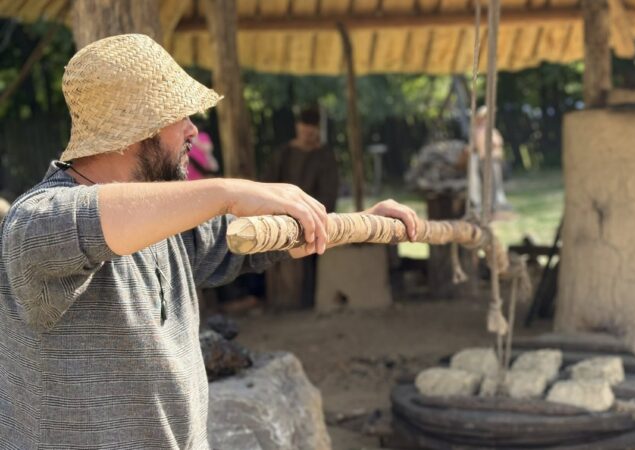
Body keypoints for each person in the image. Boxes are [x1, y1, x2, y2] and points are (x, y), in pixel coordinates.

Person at [0, 34, 419, 449]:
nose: (192, 130)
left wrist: (361, 222)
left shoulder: (166, 221)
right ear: (134, 127)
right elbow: (76, 221)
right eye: (178, 116)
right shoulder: (33, 224)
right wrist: (226, 191)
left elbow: (259, 238)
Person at [262, 105, 339, 308]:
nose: (307, 135)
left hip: (316, 217)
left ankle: (307, 301)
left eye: (311, 132)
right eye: (304, 130)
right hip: (282, 217)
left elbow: (329, 189)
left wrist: (316, 214)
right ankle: (282, 301)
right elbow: (268, 184)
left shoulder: (325, 155)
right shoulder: (284, 153)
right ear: (298, 128)